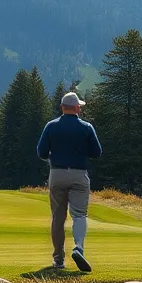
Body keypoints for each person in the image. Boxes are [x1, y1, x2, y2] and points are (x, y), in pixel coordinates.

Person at [37, 91, 103, 272]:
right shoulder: (86, 127)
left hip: (57, 174)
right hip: (79, 174)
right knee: (80, 215)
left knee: (58, 218)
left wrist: (54, 155)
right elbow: (97, 153)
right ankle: (78, 248)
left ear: (62, 108)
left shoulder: (51, 126)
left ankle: (58, 260)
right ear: (77, 108)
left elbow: (41, 153)